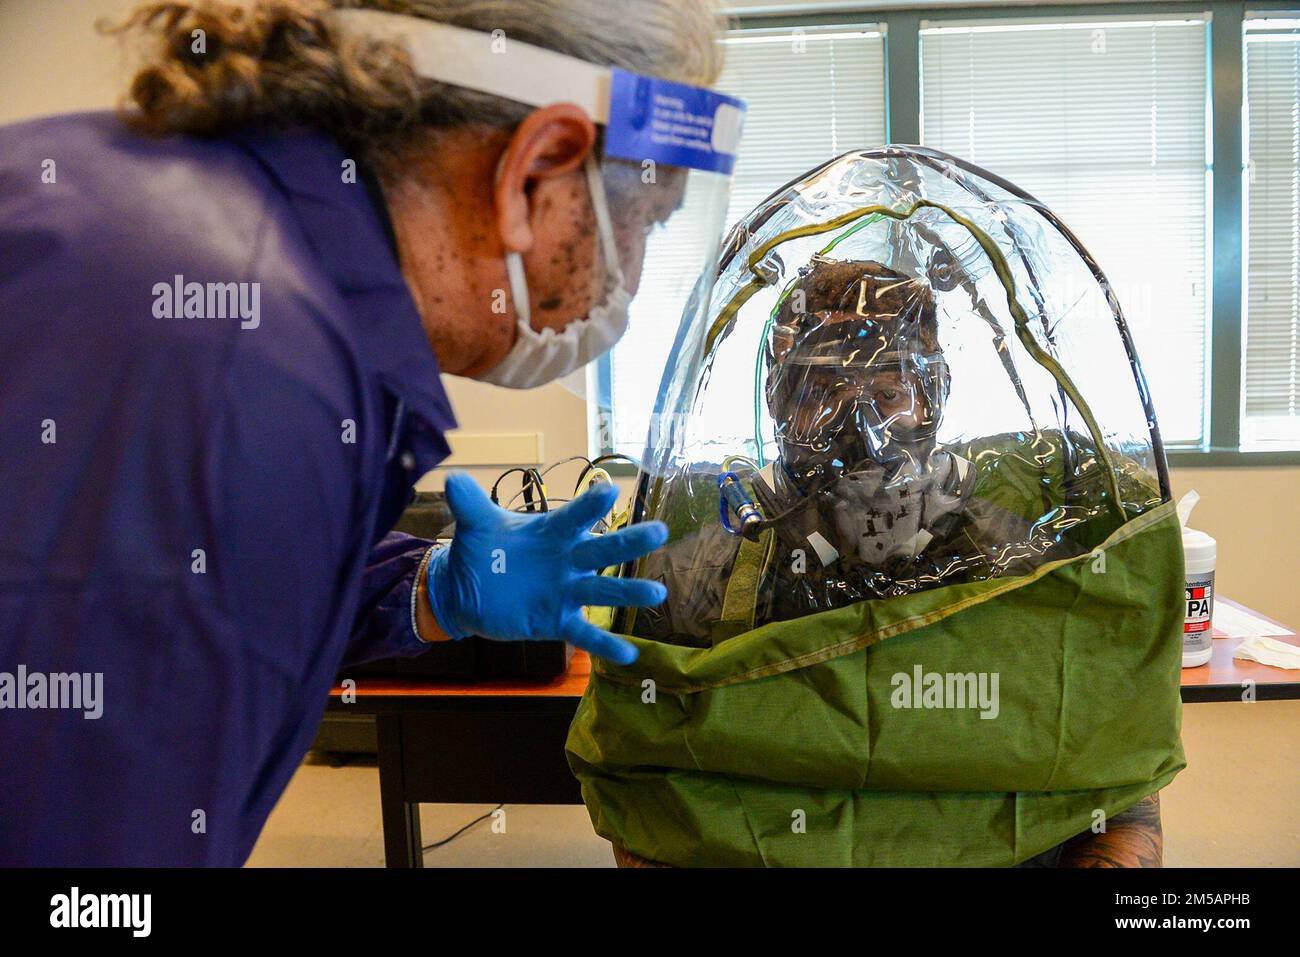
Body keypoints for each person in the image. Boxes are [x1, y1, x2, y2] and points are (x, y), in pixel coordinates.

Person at [0, 0, 739, 865]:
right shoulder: (247, 358)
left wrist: (425, 590)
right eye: (645, 221)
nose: (635, 274)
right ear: (536, 170)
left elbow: (177, 591)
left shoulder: (182, 225)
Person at [624, 255, 1164, 866]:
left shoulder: (1017, 562)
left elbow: (1113, 767)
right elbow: (643, 775)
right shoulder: (708, 579)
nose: (860, 426)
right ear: (779, 405)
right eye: (825, 393)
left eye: (887, 393)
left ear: (931, 398)